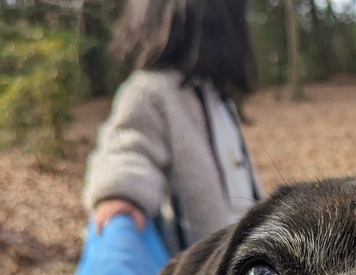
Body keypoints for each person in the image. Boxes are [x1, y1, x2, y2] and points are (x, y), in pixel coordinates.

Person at [82, 0, 263, 253]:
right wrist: (121, 192)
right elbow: (130, 148)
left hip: (242, 267)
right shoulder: (150, 91)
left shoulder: (219, 99)